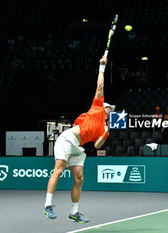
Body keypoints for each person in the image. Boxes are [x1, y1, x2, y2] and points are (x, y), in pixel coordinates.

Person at [44, 56, 115, 223]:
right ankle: (48, 205)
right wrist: (102, 67)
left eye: (111, 109)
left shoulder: (104, 128)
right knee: (59, 170)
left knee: (79, 178)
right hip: (67, 138)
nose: (110, 109)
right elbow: (100, 86)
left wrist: (106, 134)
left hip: (77, 146)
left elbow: (98, 145)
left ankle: (74, 212)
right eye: (109, 107)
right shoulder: (97, 107)